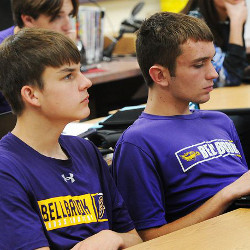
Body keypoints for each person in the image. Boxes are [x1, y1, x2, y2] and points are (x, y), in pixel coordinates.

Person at [111, 12, 250, 242]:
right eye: (198, 65)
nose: (213, 74)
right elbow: (148, 239)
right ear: (160, 75)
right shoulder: (138, 143)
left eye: (211, 61)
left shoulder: (221, 122)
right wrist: (227, 194)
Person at [0, 28, 142, 249]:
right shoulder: (6, 170)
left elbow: (134, 239)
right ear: (31, 95)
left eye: (80, 71)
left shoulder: (86, 150)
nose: (86, 82)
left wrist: (113, 238)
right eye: (68, 76)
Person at [0, 0, 79, 114]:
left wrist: (68, 54)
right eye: (57, 17)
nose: (68, 27)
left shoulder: (54, 44)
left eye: (70, 15)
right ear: (28, 20)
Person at [183, 0, 248, 87]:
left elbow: (239, 67)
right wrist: (236, 22)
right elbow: (229, 77)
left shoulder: (227, 17)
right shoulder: (194, 23)